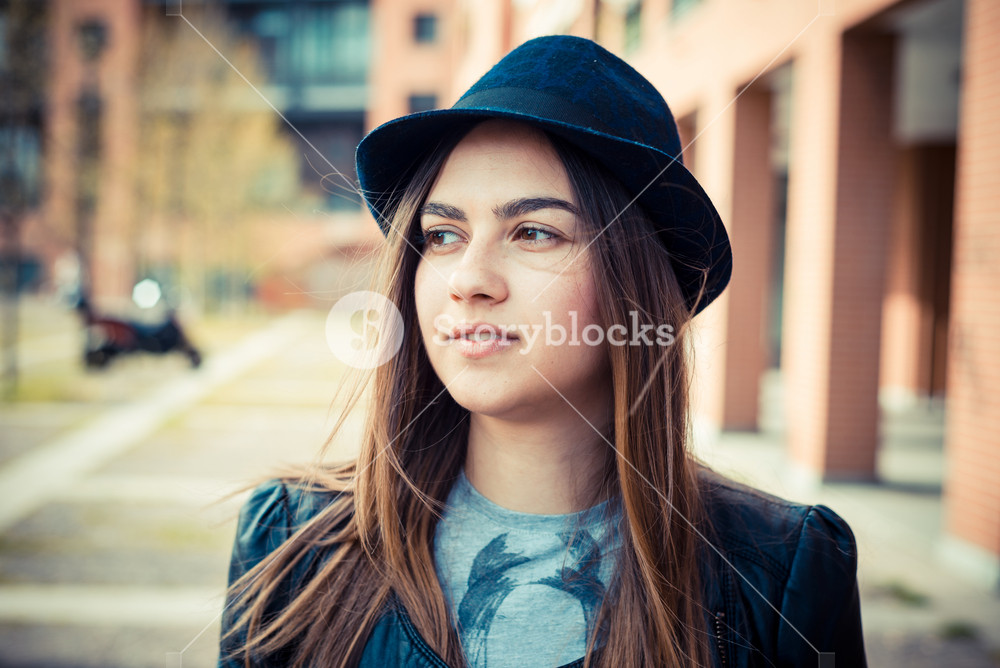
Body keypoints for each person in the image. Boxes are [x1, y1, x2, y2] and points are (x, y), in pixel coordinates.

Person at [219, 35, 866, 668]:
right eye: (443, 234)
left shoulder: (782, 574)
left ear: (634, 283)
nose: (468, 278)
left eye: (533, 232)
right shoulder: (293, 540)